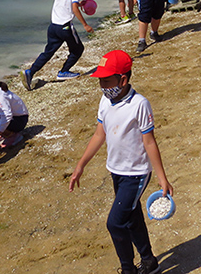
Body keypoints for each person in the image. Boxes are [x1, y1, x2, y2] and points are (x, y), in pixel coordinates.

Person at [68, 50, 173, 274]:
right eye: (100, 81)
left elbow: (149, 143)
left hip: (136, 174)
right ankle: (149, 261)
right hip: (116, 171)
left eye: (106, 80)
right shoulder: (105, 102)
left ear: (123, 79)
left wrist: (163, 178)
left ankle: (128, 270)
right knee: (132, 216)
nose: (102, 86)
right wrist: (80, 165)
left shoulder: (139, 104)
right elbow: (99, 135)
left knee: (115, 223)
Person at [20, 0, 93, 90]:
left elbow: (66, 4)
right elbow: (74, 8)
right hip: (65, 27)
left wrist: (80, 4)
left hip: (53, 27)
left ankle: (30, 72)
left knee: (48, 52)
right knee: (77, 49)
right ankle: (64, 72)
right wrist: (85, 25)